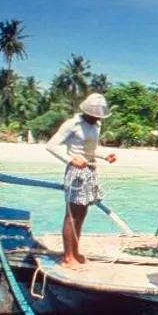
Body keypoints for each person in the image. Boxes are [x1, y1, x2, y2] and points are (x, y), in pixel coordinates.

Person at [46, 93, 117, 267]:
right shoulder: (72, 124)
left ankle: (75, 251)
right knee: (71, 214)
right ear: (87, 112)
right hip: (76, 172)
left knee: (82, 213)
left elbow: (91, 148)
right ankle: (68, 256)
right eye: (94, 115)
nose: (97, 118)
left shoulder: (96, 126)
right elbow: (51, 145)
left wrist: (105, 155)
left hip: (91, 170)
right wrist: (71, 159)